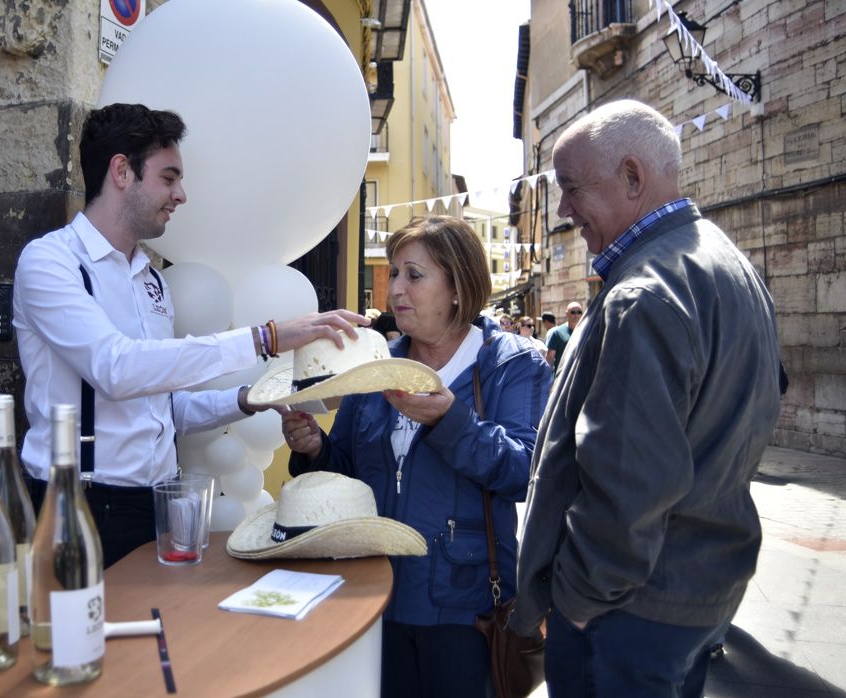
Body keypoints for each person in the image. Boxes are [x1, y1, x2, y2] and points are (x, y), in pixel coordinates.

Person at [11, 103, 365, 568]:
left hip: (154, 505)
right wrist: (267, 337)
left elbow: (163, 408)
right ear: (122, 171)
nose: (181, 195)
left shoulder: (153, 280)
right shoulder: (50, 262)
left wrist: (251, 397)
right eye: (169, 177)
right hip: (77, 506)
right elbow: (116, 369)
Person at [511, 100, 782, 696]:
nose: (562, 209)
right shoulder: (725, 262)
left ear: (633, 177)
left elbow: (629, 481)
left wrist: (581, 601)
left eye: (571, 188)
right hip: (691, 592)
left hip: (628, 613)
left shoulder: (645, 292)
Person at [282, 216, 551, 697]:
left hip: (464, 606)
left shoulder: (512, 363)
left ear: (457, 285)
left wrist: (450, 422)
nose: (395, 290)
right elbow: (349, 474)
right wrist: (315, 449)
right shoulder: (375, 364)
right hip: (373, 596)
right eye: (394, 273)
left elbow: (523, 472)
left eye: (414, 274)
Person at [544, 301, 582, 372]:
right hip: (563, 376)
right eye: (573, 312)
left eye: (579, 312)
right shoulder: (557, 333)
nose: (576, 315)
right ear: (567, 314)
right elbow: (550, 358)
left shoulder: (585, 331)